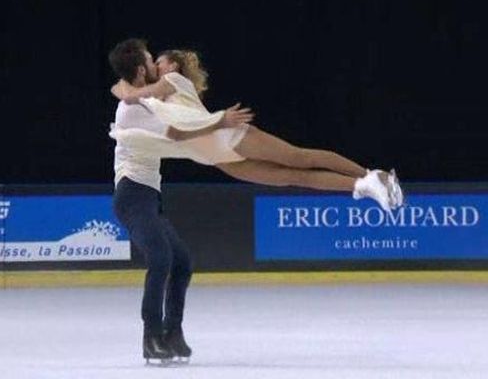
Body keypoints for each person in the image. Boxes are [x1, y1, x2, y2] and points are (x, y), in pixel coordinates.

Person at [111, 48, 404, 211]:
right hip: (219, 158)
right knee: (292, 177)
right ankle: (362, 187)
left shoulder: (173, 81)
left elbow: (133, 95)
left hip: (228, 135)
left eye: (158, 61)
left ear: (172, 65)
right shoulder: (156, 103)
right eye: (151, 61)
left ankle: (372, 174)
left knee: (299, 158)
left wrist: (126, 88)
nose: (156, 65)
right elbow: (169, 129)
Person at [108, 39, 252, 364]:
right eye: (150, 60)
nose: (155, 66)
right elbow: (176, 133)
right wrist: (220, 121)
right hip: (132, 195)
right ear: (141, 69)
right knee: (160, 258)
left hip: (147, 196)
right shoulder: (133, 109)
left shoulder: (145, 101)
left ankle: (173, 333)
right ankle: (151, 337)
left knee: (182, 261)